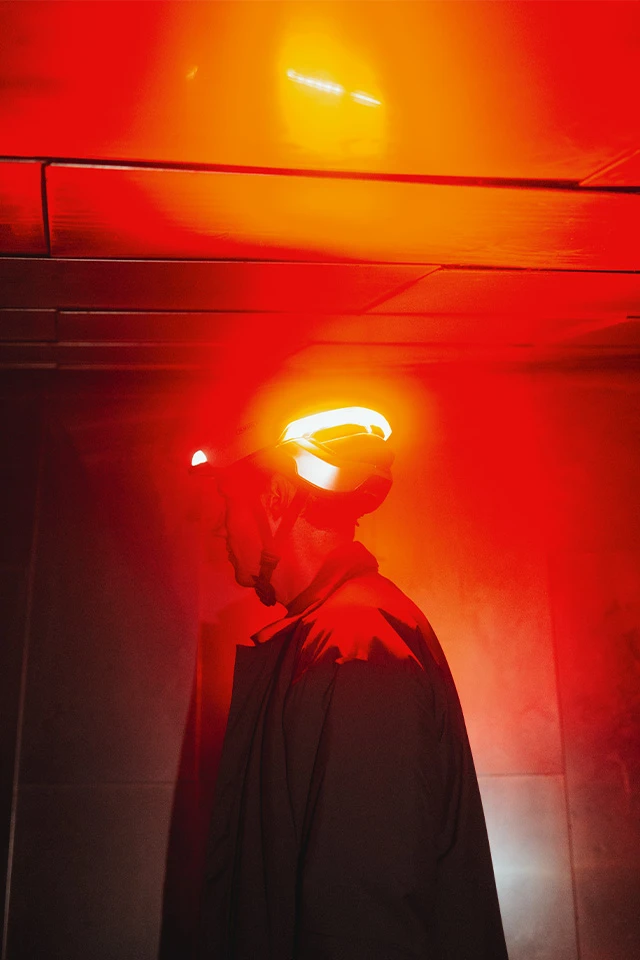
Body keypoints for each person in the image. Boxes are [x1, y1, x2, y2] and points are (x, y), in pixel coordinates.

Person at [195, 406, 509, 960]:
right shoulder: (334, 634)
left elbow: (363, 916)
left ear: (274, 501)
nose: (220, 525)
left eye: (228, 501)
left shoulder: (356, 646)